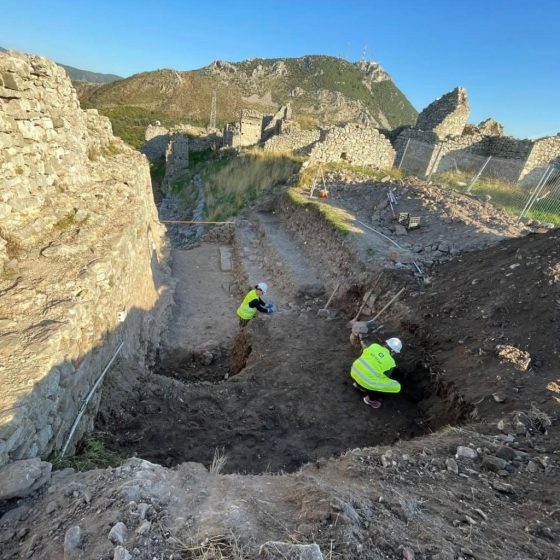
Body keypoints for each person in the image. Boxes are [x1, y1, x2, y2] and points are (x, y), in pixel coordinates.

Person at [350, 337, 402, 409]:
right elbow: (385, 378)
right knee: (396, 387)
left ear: (386, 344)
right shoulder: (391, 362)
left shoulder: (374, 346)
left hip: (354, 371)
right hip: (366, 381)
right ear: (393, 351)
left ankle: (358, 385)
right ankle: (370, 399)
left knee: (367, 371)